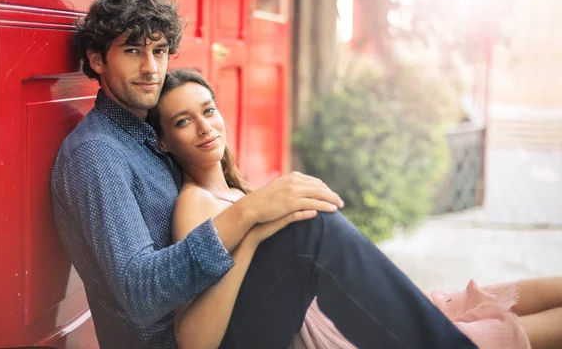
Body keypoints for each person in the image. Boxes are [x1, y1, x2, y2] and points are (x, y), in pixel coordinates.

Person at [51, 0, 477, 348]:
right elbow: (140, 292)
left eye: (160, 51)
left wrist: (257, 217)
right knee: (311, 232)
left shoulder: (146, 137)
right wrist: (250, 213)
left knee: (303, 217)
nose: (152, 68)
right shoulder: (98, 153)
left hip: (221, 312)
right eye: (132, 51)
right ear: (97, 59)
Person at [148, 68, 562, 349]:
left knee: (472, 305)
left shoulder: (237, 191)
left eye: (208, 110)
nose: (204, 126)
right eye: (183, 122)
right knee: (472, 328)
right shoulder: (194, 203)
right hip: (291, 331)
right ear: (164, 141)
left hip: (317, 314)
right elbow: (195, 339)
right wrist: (254, 233)